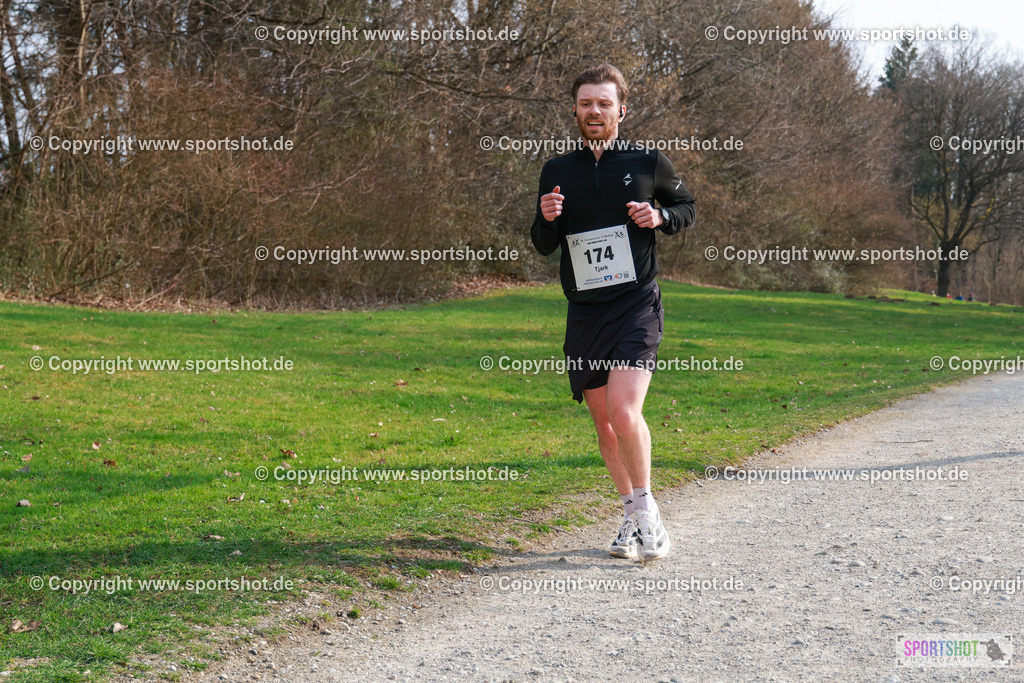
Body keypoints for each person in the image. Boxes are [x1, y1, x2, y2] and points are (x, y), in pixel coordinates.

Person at [530, 64, 696, 561]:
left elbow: (686, 207)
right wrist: (546, 218)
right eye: (586, 103)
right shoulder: (557, 171)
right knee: (604, 425)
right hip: (584, 312)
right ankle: (629, 512)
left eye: (604, 103)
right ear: (575, 111)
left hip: (635, 304)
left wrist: (660, 216)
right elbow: (542, 245)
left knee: (625, 411)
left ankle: (647, 514)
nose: (594, 111)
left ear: (622, 110)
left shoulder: (649, 163)